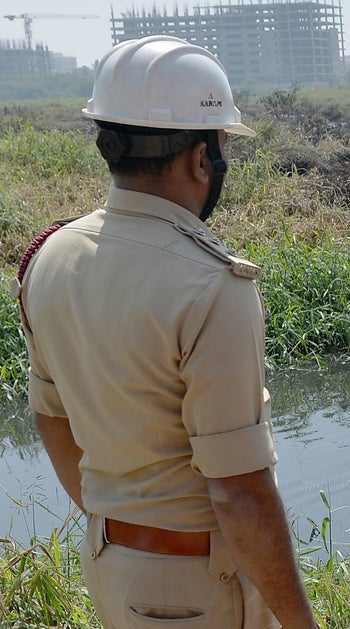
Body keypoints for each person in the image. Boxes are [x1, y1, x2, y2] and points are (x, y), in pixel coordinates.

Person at [12, 36, 317, 629]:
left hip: (109, 565)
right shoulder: (212, 286)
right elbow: (240, 494)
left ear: (111, 145)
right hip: (199, 585)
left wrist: (122, 525)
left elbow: (51, 420)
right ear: (202, 159)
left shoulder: (51, 258)